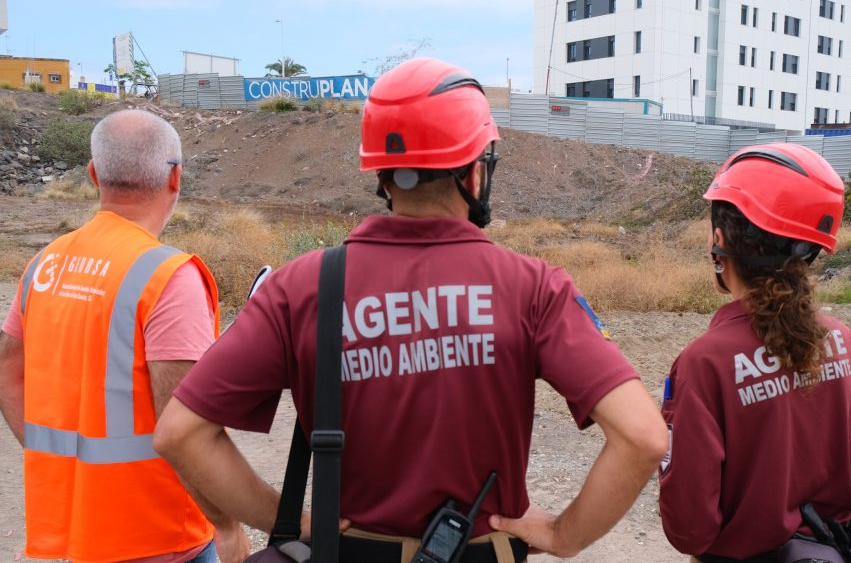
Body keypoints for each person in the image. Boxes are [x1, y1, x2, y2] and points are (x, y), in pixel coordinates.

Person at [153, 57, 668, 562]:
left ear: (380, 175)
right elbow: (643, 437)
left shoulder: (299, 287)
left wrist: (287, 522)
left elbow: (181, 433)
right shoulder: (534, 287)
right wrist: (565, 534)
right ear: (473, 171)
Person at [0, 110, 248, 563]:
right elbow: (188, 429)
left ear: (94, 173)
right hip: (160, 536)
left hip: (77, 528)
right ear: (175, 177)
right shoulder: (168, 276)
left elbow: (8, 369)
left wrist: (58, 459)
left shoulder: (46, 263)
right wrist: (227, 523)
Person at [658, 143, 851, 562]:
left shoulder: (703, 364)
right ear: (810, 250)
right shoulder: (843, 340)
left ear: (720, 242)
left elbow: (689, 530)